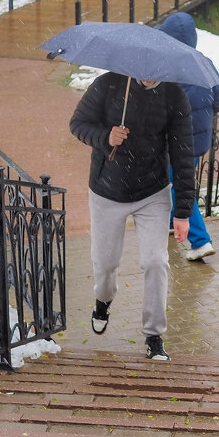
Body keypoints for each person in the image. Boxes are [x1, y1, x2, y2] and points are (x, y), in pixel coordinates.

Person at [69, 72, 195, 361]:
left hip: (152, 192)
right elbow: (77, 124)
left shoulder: (174, 96)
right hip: (107, 191)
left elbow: (183, 156)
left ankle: (154, 335)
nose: (148, 76)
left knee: (155, 261)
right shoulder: (108, 84)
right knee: (106, 263)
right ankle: (102, 301)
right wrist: (105, 136)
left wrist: (183, 212)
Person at [157, 12, 219, 261]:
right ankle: (171, 222)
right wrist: (204, 116)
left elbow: (160, 105)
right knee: (174, 181)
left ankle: (200, 241)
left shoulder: (167, 67)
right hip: (198, 141)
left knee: (180, 187)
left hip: (176, 140)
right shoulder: (203, 62)